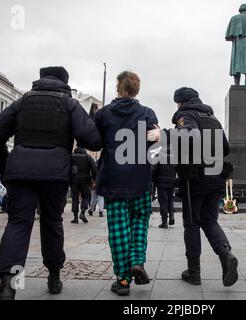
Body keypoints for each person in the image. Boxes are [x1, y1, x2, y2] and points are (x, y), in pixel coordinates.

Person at [0, 66, 102, 300]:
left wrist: (5, 162)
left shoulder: (23, 101)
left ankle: (8, 285)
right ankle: (54, 275)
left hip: (20, 173)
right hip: (54, 174)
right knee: (51, 223)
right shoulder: (70, 104)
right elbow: (92, 140)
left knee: (18, 224)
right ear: (65, 82)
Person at [149, 87, 239, 287]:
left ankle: (194, 272)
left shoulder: (186, 115)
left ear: (180, 102)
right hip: (216, 178)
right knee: (210, 221)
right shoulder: (212, 117)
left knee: (192, 224)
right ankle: (226, 254)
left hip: (195, 180)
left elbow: (190, 135)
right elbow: (226, 148)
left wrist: (163, 133)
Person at [94, 71, 157, 296]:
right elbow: (155, 146)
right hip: (140, 179)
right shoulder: (147, 114)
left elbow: (94, 140)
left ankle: (122, 280)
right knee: (140, 223)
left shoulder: (103, 114)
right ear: (137, 89)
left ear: (118, 87)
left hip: (113, 180)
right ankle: (137, 262)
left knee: (119, 230)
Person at [70, 147, 97, 224]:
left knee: (75, 198)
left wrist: (69, 180)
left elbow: (67, 168)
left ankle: (75, 218)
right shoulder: (88, 157)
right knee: (85, 197)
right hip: (85, 180)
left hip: (74, 180)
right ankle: (82, 212)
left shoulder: (71, 157)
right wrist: (95, 179)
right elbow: (94, 168)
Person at [152, 150, 177, 229]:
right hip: (172, 182)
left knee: (163, 202)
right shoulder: (174, 157)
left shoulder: (158, 157)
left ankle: (164, 222)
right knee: (170, 199)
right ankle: (172, 215)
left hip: (161, 183)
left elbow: (154, 170)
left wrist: (153, 180)